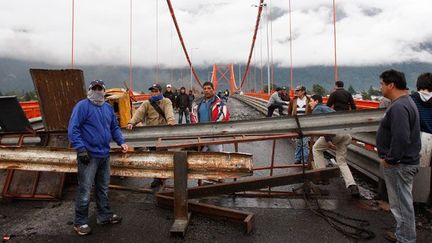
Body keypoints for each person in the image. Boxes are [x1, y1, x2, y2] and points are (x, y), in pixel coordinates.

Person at [68, 80, 129, 236]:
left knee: (103, 188)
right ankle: (80, 222)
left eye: (99, 88)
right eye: (94, 88)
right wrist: (81, 149)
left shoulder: (108, 108)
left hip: (104, 154)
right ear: (89, 90)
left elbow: (114, 127)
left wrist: (121, 142)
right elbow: (73, 129)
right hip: (88, 155)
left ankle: (104, 216)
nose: (97, 91)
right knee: (85, 189)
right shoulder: (82, 106)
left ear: (104, 90)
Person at [377, 69, 421, 243]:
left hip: (399, 165)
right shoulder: (406, 102)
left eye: (381, 84)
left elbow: (401, 137)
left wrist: (391, 159)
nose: (380, 88)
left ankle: (406, 239)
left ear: (391, 85)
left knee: (401, 206)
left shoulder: (399, 106)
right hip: (404, 162)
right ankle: (403, 234)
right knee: (402, 203)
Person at [309, 94, 359, 197]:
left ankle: (323, 176)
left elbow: (324, 124)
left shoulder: (317, 110)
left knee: (316, 148)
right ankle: (352, 186)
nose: (309, 103)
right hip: (346, 134)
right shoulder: (327, 108)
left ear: (316, 101)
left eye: (311, 101)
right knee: (341, 161)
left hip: (334, 133)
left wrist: (328, 140)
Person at [126, 83, 176, 188]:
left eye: (156, 91)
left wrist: (171, 120)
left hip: (163, 134)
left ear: (160, 92)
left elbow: (169, 112)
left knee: (163, 155)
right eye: (152, 91)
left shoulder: (166, 101)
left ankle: (162, 176)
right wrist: (131, 123)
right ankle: (157, 177)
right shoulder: (147, 103)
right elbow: (139, 113)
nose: (153, 93)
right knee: (154, 156)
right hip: (151, 135)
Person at [194, 82, 229, 152]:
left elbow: (224, 117)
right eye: (205, 89)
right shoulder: (197, 104)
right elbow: (194, 118)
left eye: (209, 88)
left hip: (215, 137)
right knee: (202, 159)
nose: (206, 90)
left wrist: (214, 130)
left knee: (217, 157)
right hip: (201, 136)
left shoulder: (220, 104)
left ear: (213, 90)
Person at [288, 85, 312, 164]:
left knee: (305, 143)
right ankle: (298, 159)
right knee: (298, 142)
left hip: (306, 124)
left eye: (298, 91)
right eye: (296, 91)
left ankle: (304, 159)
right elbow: (289, 111)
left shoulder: (309, 100)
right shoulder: (293, 100)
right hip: (296, 124)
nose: (296, 92)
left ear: (303, 91)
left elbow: (312, 111)